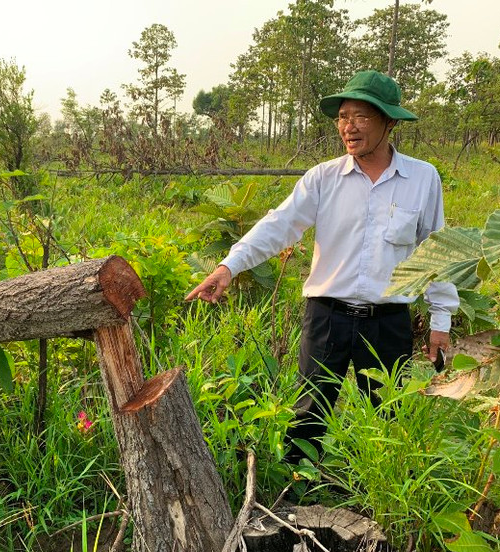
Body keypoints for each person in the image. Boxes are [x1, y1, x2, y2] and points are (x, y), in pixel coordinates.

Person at [185, 70, 459, 462]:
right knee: (307, 418)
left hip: (388, 322)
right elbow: (279, 225)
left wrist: (441, 321)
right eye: (343, 117)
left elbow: (438, 251)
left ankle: (374, 504)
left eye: (361, 116)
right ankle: (295, 500)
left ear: (389, 122)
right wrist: (229, 266)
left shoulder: (422, 178)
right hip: (327, 318)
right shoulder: (323, 179)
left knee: (383, 422)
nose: (348, 127)